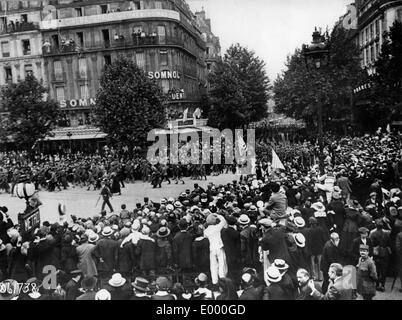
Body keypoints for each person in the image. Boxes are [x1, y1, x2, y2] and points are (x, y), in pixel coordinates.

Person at [204, 212, 228, 285]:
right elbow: (223, 221)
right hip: (219, 247)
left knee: (213, 266)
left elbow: (205, 237)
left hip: (212, 249)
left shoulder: (206, 231)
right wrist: (218, 215)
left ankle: (215, 281)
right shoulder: (217, 227)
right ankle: (222, 279)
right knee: (222, 264)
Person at [370, 219, 391, 292]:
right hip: (385, 252)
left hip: (376, 253)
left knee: (377, 269)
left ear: (375, 225)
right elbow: (389, 243)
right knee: (384, 270)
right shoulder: (387, 232)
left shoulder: (372, 233)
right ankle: (382, 285)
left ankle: (377, 284)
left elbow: (371, 243)